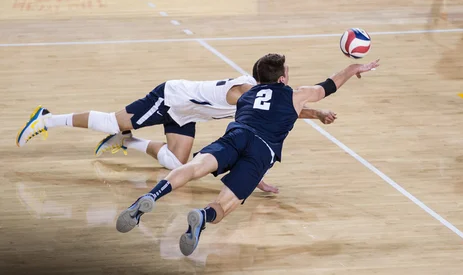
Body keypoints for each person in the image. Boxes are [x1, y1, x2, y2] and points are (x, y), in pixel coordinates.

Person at [115, 53, 380, 256]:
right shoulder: (295, 95)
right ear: (282, 79)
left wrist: (315, 114)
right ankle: (203, 217)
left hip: (237, 135)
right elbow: (329, 85)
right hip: (261, 152)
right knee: (226, 204)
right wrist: (354, 68)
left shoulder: (247, 95)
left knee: (195, 167)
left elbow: (275, 110)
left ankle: (151, 196)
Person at [16, 70, 337, 193]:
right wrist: (256, 175)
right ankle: (46, 119)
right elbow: (273, 117)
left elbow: (283, 112)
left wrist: (317, 112)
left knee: (176, 162)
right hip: (172, 99)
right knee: (112, 120)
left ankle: (129, 142)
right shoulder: (246, 93)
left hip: (187, 113)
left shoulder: (263, 95)